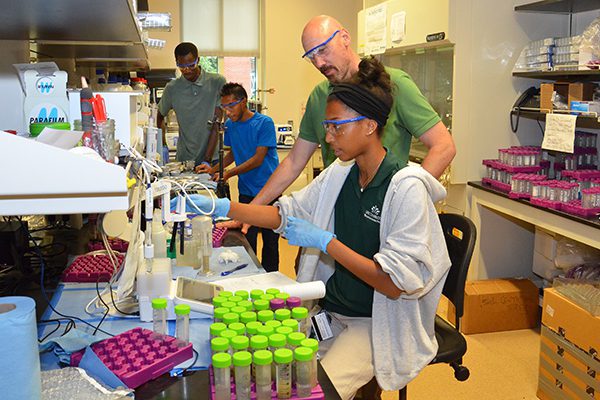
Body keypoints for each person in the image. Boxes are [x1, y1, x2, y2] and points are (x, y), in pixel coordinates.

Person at [178, 57, 451, 399]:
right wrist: (223, 207)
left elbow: (394, 285)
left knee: (312, 393)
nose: (328, 136)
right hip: (329, 311)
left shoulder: (405, 187)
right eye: (327, 125)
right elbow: (286, 214)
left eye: (337, 126)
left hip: (375, 322)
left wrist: (327, 242)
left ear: (369, 125)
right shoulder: (340, 173)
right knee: (268, 375)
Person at [249, 15, 456, 213]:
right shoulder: (320, 96)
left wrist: (407, 202)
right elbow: (294, 162)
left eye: (323, 50)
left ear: (345, 38)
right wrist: (252, 210)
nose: (319, 63)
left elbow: (444, 146)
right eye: (311, 56)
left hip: (381, 212)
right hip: (339, 211)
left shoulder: (393, 85)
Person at [195, 83, 280, 272]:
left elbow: (258, 159)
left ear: (244, 102)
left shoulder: (264, 123)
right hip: (247, 191)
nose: (228, 111)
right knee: (246, 241)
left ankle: (271, 280)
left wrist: (228, 173)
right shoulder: (230, 126)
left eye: (231, 106)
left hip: (269, 191)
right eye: (224, 107)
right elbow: (232, 154)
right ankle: (250, 278)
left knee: (271, 243)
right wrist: (213, 170)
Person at [157, 42, 226, 166]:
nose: (187, 70)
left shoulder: (217, 82)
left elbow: (217, 123)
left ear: (198, 60)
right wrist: (162, 145)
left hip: (213, 158)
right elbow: (160, 115)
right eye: (182, 66)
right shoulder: (172, 88)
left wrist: (207, 159)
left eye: (191, 65)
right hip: (185, 159)